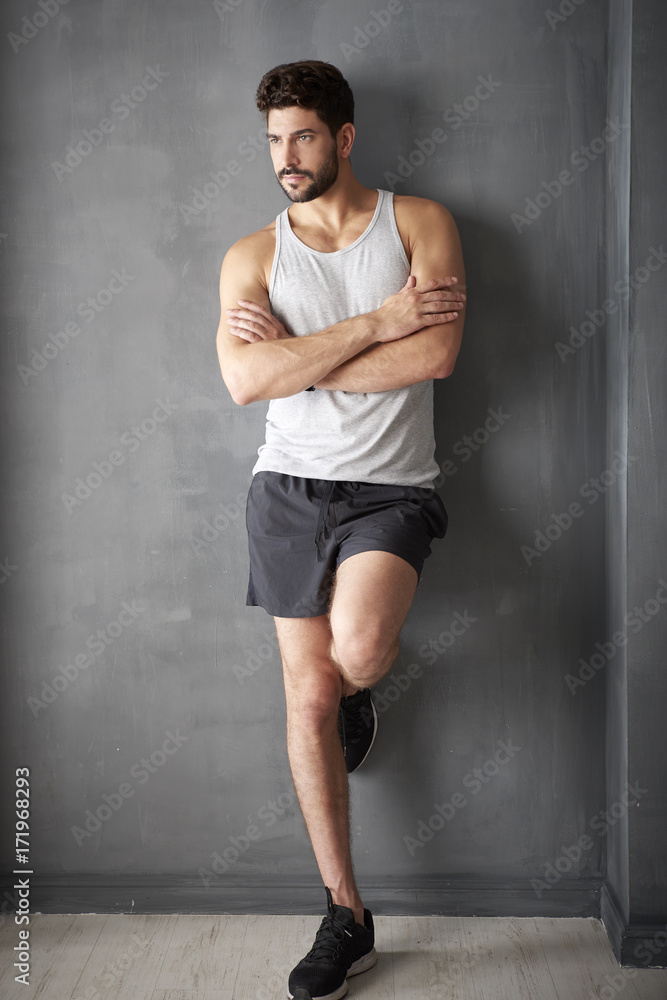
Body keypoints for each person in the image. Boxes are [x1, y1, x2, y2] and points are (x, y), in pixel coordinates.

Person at [215, 59, 466, 1000]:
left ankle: (361, 691)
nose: (286, 156)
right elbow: (246, 383)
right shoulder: (250, 256)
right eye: (274, 141)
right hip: (285, 490)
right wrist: (377, 322)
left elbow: (436, 354)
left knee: (354, 654)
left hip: (390, 491)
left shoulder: (420, 223)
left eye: (303, 137)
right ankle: (345, 914)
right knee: (306, 695)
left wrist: (299, 358)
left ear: (344, 138)